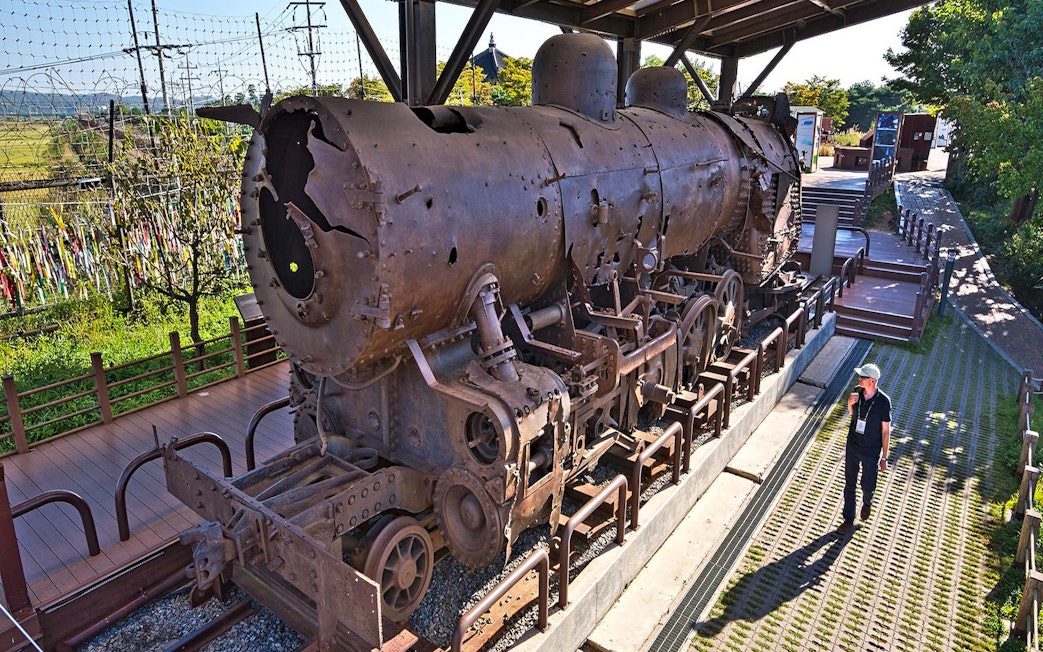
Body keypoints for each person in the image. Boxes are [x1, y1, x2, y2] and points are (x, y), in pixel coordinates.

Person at [838, 363, 891, 533]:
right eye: (859, 376)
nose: (859, 379)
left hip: (871, 449)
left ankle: (867, 502)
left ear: (873, 381)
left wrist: (884, 457)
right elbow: (853, 414)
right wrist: (849, 403)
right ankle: (848, 519)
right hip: (853, 443)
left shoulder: (884, 402)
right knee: (849, 483)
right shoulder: (857, 391)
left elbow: (885, 431)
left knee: (867, 484)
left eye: (863, 377)